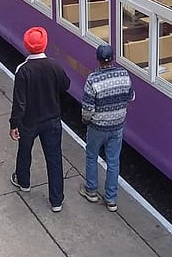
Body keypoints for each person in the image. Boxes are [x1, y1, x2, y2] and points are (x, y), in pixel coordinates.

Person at [9, 26, 70, 213]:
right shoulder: (55, 66)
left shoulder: (23, 70)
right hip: (52, 119)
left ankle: (24, 181)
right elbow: (65, 85)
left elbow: (19, 102)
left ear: (27, 46)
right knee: (54, 158)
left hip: (29, 121)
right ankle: (56, 200)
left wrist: (14, 124)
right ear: (45, 44)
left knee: (25, 151)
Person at [79, 44, 135, 212]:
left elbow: (88, 109)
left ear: (98, 60)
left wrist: (85, 120)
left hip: (97, 127)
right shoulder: (124, 75)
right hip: (117, 125)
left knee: (91, 156)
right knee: (113, 161)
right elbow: (131, 97)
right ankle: (111, 199)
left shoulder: (93, 79)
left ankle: (91, 191)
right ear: (113, 59)